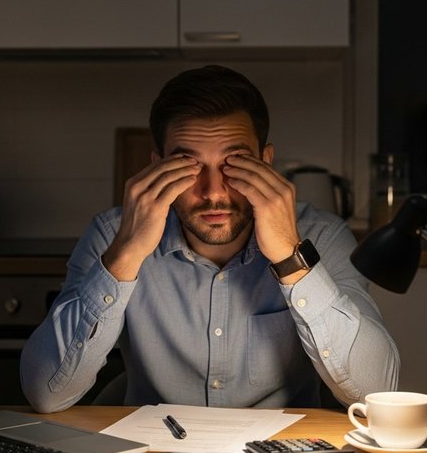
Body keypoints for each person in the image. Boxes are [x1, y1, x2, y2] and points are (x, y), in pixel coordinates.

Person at [20, 65, 399, 412]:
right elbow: (45, 393)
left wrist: (290, 259)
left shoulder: (320, 235)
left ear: (266, 161)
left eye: (234, 164)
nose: (213, 192)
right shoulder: (112, 235)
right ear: (157, 166)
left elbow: (376, 392)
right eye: (189, 166)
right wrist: (126, 254)